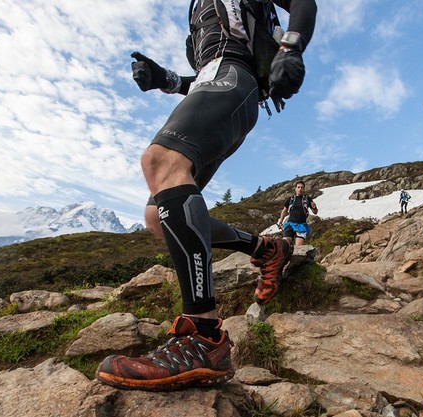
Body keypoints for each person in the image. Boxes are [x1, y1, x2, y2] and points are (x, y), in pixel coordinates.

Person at [95, 0, 317, 392]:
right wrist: (164, 79)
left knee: (161, 162)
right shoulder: (197, 12)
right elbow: (202, 73)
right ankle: (267, 250)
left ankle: (203, 335)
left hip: (236, 80)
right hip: (216, 84)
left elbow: (302, 2)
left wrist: (290, 48)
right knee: (156, 217)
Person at [277, 181, 318, 246]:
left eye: (302, 187)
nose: (300, 189)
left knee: (298, 247)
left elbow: (315, 212)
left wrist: (314, 207)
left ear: (304, 189)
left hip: (301, 225)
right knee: (285, 243)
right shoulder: (290, 199)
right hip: (290, 224)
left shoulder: (307, 199)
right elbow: (284, 210)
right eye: (298, 187)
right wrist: (280, 221)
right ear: (295, 189)